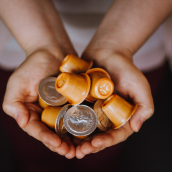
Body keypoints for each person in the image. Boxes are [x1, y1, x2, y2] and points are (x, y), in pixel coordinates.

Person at [1, 0, 171, 160]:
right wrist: (40, 45)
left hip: (139, 37)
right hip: (21, 33)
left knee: (104, 152)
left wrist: (118, 46)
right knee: (32, 150)